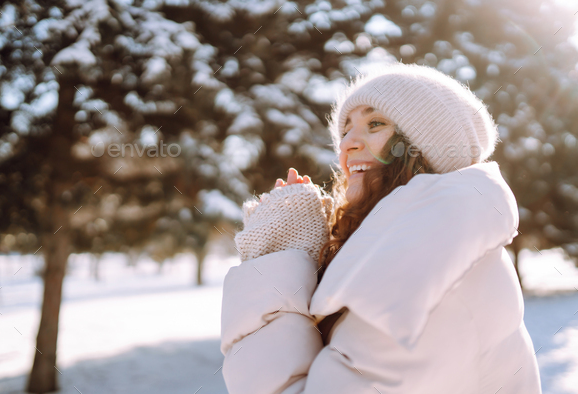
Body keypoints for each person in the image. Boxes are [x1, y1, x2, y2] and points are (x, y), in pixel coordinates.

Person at [220, 62, 542, 394]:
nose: (347, 144)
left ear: (423, 148)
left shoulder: (426, 264)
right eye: (346, 129)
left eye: (375, 123)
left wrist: (277, 258)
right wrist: (308, 260)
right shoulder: (427, 242)